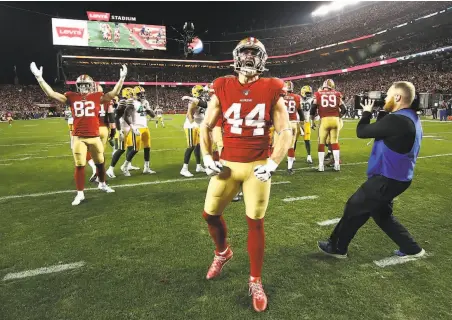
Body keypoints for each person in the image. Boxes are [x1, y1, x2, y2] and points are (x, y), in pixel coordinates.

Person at [200, 37, 292, 312]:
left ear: (262, 58)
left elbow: (285, 131)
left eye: (255, 53)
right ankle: (223, 252)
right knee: (210, 215)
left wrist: (274, 162)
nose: (249, 57)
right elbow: (206, 125)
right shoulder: (223, 85)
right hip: (228, 163)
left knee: (255, 222)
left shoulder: (272, 87)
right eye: (245, 52)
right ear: (237, 57)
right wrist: (206, 156)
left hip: (257, 166)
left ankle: (255, 280)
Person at [318, 81, 426, 259]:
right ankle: (412, 248)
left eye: (389, 95)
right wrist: (384, 110)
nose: (385, 97)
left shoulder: (397, 120)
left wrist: (367, 112)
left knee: (354, 207)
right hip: (398, 177)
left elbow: (362, 131)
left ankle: (337, 248)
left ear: (397, 97)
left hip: (387, 178)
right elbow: (383, 129)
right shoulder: (409, 117)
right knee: (381, 214)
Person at [30, 62, 126, 205]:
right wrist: (39, 78)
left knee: (100, 163)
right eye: (81, 85)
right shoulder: (71, 96)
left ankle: (103, 184)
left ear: (91, 86)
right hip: (79, 137)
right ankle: (80, 193)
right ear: (77, 86)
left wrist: (122, 79)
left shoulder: (97, 96)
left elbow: (114, 93)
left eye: (86, 85)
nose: (84, 88)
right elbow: (51, 94)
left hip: (94, 136)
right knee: (80, 165)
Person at [311, 79, 346, 172]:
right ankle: (337, 165)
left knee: (321, 142)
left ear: (323, 86)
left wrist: (312, 120)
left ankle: (321, 166)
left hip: (324, 120)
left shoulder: (318, 94)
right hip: (335, 120)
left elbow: (313, 108)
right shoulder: (337, 94)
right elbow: (344, 109)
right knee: (334, 141)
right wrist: (339, 116)